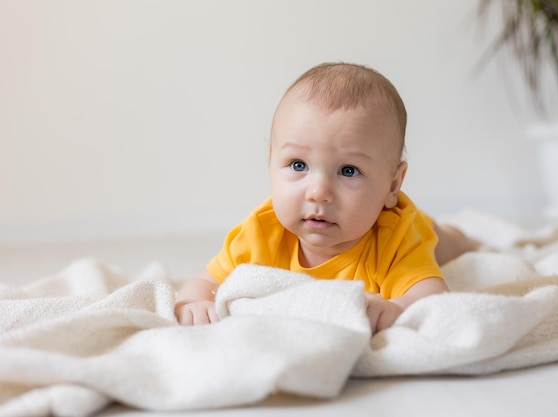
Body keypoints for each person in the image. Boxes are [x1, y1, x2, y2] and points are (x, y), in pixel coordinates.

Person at [175, 62, 479, 333]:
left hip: (420, 230)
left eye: (348, 171)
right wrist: (195, 301)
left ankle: (461, 237)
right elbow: (205, 283)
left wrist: (398, 308)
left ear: (392, 186)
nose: (318, 192)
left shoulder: (395, 238)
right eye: (298, 165)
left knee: (442, 241)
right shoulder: (261, 233)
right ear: (271, 163)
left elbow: (432, 295)